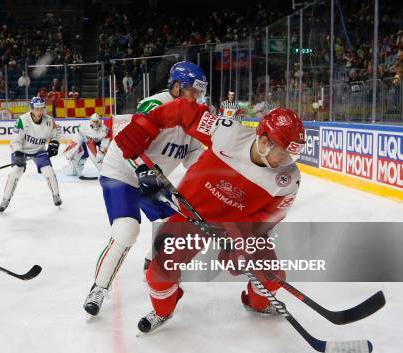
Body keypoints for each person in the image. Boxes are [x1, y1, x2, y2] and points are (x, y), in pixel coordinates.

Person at [123, 106, 305, 333]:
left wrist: (240, 241)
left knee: (272, 276)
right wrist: (143, 127)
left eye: (292, 154)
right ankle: (163, 311)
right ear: (265, 141)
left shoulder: (288, 179)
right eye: (285, 152)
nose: (288, 160)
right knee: (159, 274)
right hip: (192, 214)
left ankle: (259, 303)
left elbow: (269, 217)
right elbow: (183, 112)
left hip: (237, 225)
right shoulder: (227, 133)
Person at [82, 61, 209, 317]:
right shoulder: (155, 105)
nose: (197, 97)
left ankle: (153, 263)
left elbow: (194, 156)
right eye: (192, 91)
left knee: (178, 222)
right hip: (122, 172)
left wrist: (206, 181)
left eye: (200, 92)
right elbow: (131, 145)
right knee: (127, 230)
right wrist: (143, 169)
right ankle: (99, 287)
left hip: (152, 178)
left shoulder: (194, 116)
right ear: (175, 87)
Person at [0, 96, 61, 213]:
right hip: (22, 151)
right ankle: (5, 200)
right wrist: (18, 153)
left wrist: (54, 144)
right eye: (37, 109)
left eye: (42, 108)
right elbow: (16, 140)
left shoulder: (49, 120)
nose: (39, 112)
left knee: (49, 172)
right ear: (31, 109)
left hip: (39, 151)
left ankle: (56, 195)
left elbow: (55, 134)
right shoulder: (22, 120)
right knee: (15, 172)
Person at [63, 113, 111, 177]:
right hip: (88, 142)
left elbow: (105, 141)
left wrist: (101, 152)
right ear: (91, 121)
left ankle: (106, 171)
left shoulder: (104, 129)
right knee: (83, 154)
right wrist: (71, 150)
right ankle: (76, 169)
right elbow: (77, 139)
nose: (95, 123)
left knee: (103, 157)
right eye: (94, 121)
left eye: (97, 121)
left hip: (100, 142)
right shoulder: (83, 128)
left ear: (99, 121)